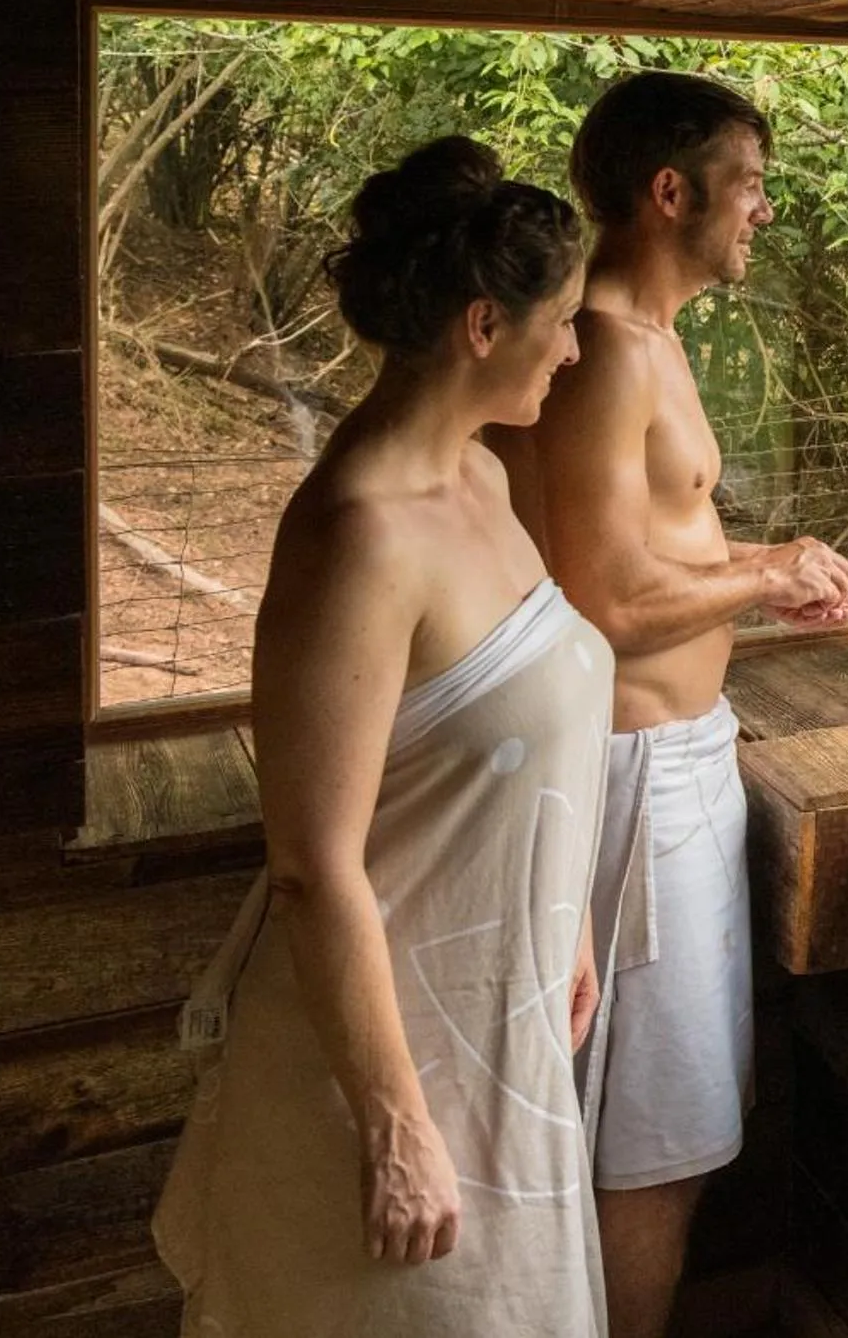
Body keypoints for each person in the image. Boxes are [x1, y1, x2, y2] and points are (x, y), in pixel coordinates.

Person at [153, 137, 605, 1336]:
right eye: (559, 321)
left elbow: (523, 737)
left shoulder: (486, 483)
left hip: (499, 1016)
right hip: (384, 1065)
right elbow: (312, 863)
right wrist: (395, 1130)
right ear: (479, 325)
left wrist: (568, 922)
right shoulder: (358, 536)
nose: (574, 347)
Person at [494, 70, 848, 1338]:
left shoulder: (647, 342)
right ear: (670, 192)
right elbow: (593, 603)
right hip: (634, 786)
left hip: (676, 765)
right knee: (653, 1145)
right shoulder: (602, 353)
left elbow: (639, 554)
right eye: (748, 185)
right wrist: (759, 572)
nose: (761, 211)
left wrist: (764, 572)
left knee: (669, 1133)